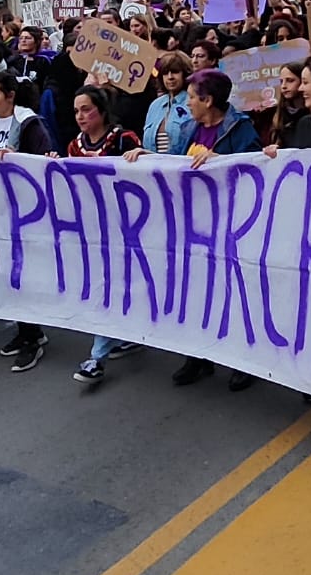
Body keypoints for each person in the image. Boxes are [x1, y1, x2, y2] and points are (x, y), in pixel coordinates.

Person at [128, 67, 263, 390]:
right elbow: (175, 163)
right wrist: (146, 157)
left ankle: (243, 360)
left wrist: (220, 160)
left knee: (233, 293)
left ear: (209, 100)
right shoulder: (190, 128)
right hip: (195, 224)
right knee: (198, 292)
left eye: (191, 97)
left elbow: (255, 171)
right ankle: (198, 356)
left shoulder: (240, 130)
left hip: (230, 226)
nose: (186, 104)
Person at [0, 70, 55, 371]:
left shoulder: (27, 122)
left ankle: (33, 336)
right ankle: (25, 331)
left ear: (10, 96)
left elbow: (43, 160)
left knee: (23, 274)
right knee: (8, 274)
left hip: (23, 212)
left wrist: (17, 158)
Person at [67, 86, 147, 385]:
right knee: (109, 288)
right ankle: (118, 338)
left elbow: (147, 174)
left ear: (101, 110)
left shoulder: (124, 140)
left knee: (117, 287)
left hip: (130, 229)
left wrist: (143, 156)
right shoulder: (75, 147)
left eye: (86, 109)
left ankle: (97, 356)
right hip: (95, 231)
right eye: (76, 111)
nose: (81, 116)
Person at [141, 52, 197, 155]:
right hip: (154, 167)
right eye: (166, 73)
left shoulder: (193, 102)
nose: (170, 77)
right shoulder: (155, 105)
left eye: (175, 72)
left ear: (185, 74)